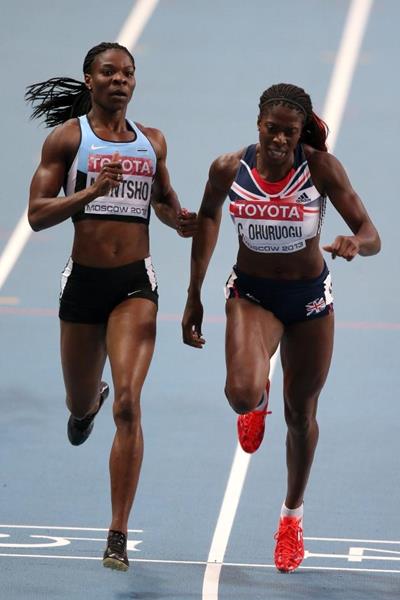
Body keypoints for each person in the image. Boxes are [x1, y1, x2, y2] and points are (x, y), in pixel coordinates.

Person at [182, 83, 380, 573]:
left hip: (310, 298)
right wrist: (194, 293)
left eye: (289, 132)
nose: (279, 140)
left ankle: (291, 517)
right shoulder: (230, 168)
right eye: (271, 129)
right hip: (252, 295)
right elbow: (207, 218)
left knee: (301, 416)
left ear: (300, 133)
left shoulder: (319, 168)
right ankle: (257, 394)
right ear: (258, 124)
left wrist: (356, 243)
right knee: (242, 394)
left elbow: (372, 234)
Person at [26, 41, 196, 572]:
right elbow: (36, 214)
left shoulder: (153, 142)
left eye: (128, 73)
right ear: (89, 79)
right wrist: (91, 192)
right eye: (109, 72)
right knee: (83, 404)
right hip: (83, 286)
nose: (120, 80)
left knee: (130, 402)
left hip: (133, 287)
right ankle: (87, 403)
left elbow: (164, 203)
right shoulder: (68, 139)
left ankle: (117, 532)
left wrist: (180, 219)